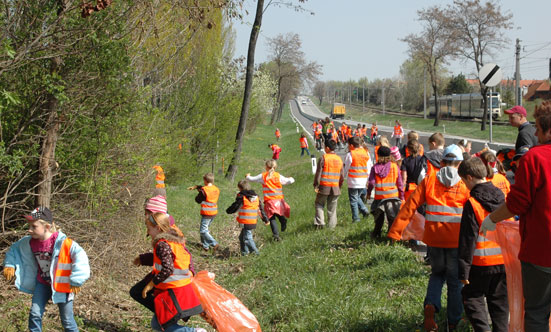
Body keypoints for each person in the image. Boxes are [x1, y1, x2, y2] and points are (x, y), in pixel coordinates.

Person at [480, 101, 551, 332]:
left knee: (538, 311)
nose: (535, 134)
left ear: (547, 130)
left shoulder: (535, 158)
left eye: (538, 129)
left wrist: (492, 219)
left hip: (542, 251)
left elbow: (517, 203)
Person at [388, 144, 469, 332]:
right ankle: (453, 322)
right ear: (460, 163)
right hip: (456, 241)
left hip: (433, 240)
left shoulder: (430, 180)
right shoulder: (465, 183)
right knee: (455, 282)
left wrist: (395, 231)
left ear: (442, 162)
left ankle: (431, 305)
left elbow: (410, 206)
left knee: (437, 275)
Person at [3, 207, 90, 332]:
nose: (29, 230)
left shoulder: (63, 243)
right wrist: (10, 265)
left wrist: (77, 279)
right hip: (42, 283)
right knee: (35, 314)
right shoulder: (29, 242)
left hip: (63, 285)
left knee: (67, 320)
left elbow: (81, 257)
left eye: (34, 226)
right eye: (29, 226)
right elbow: (14, 250)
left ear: (47, 227)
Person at [457, 157, 509, 332]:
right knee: (500, 305)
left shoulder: (472, 203)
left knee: (472, 297)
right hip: (503, 262)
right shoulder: (502, 198)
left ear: (469, 177)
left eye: (464, 181)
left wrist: (463, 270)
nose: (464, 185)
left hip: (480, 264)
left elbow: (468, 239)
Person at [133, 213, 204, 332]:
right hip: (180, 289)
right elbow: (166, 259)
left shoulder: (162, 244)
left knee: (167, 326)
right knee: (157, 325)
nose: (148, 232)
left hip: (173, 292)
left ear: (158, 228)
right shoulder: (173, 241)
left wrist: (151, 284)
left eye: (149, 229)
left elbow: (167, 268)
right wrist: (143, 259)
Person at [246, 160, 294, 241]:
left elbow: (252, 179)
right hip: (279, 200)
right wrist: (291, 178)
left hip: (269, 200)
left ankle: (276, 235)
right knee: (278, 212)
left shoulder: (263, 176)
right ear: (275, 167)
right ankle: (283, 221)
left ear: (266, 167)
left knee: (271, 218)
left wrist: (247, 176)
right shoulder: (278, 176)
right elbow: (289, 181)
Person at [366, 146, 404, 238]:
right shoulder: (395, 167)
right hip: (393, 197)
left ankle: (376, 233)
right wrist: (401, 196)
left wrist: (369, 193)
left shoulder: (374, 168)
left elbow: (371, 182)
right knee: (392, 218)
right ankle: (390, 236)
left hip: (380, 197)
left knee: (379, 217)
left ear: (378, 155)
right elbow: (400, 183)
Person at [226, 180, 268, 255]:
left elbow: (235, 206)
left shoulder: (242, 197)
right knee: (242, 238)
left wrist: (228, 211)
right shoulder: (256, 197)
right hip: (251, 221)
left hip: (246, 221)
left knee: (247, 239)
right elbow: (261, 210)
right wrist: (266, 220)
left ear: (240, 188)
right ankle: (244, 253)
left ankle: (256, 254)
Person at [313, 140, 344, 229]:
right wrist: (340, 186)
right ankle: (332, 226)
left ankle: (320, 223)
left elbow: (318, 173)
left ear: (327, 148)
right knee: (332, 208)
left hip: (324, 187)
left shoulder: (324, 158)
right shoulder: (339, 159)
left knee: (319, 204)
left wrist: (316, 184)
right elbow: (342, 175)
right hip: (335, 187)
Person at [188, 173, 220, 251]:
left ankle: (214, 243)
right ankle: (205, 246)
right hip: (214, 212)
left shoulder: (204, 190)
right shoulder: (216, 189)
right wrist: (197, 187)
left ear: (205, 180)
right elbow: (205, 189)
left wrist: (199, 191)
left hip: (207, 213)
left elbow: (198, 200)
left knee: (203, 231)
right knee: (205, 229)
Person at [344, 136, 372, 223]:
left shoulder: (350, 154)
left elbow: (346, 168)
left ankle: (356, 219)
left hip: (353, 181)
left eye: (348, 145)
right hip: (363, 181)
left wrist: (342, 178)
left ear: (352, 145)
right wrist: (368, 179)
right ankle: (364, 210)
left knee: (353, 200)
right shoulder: (366, 153)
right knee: (356, 197)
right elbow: (369, 167)